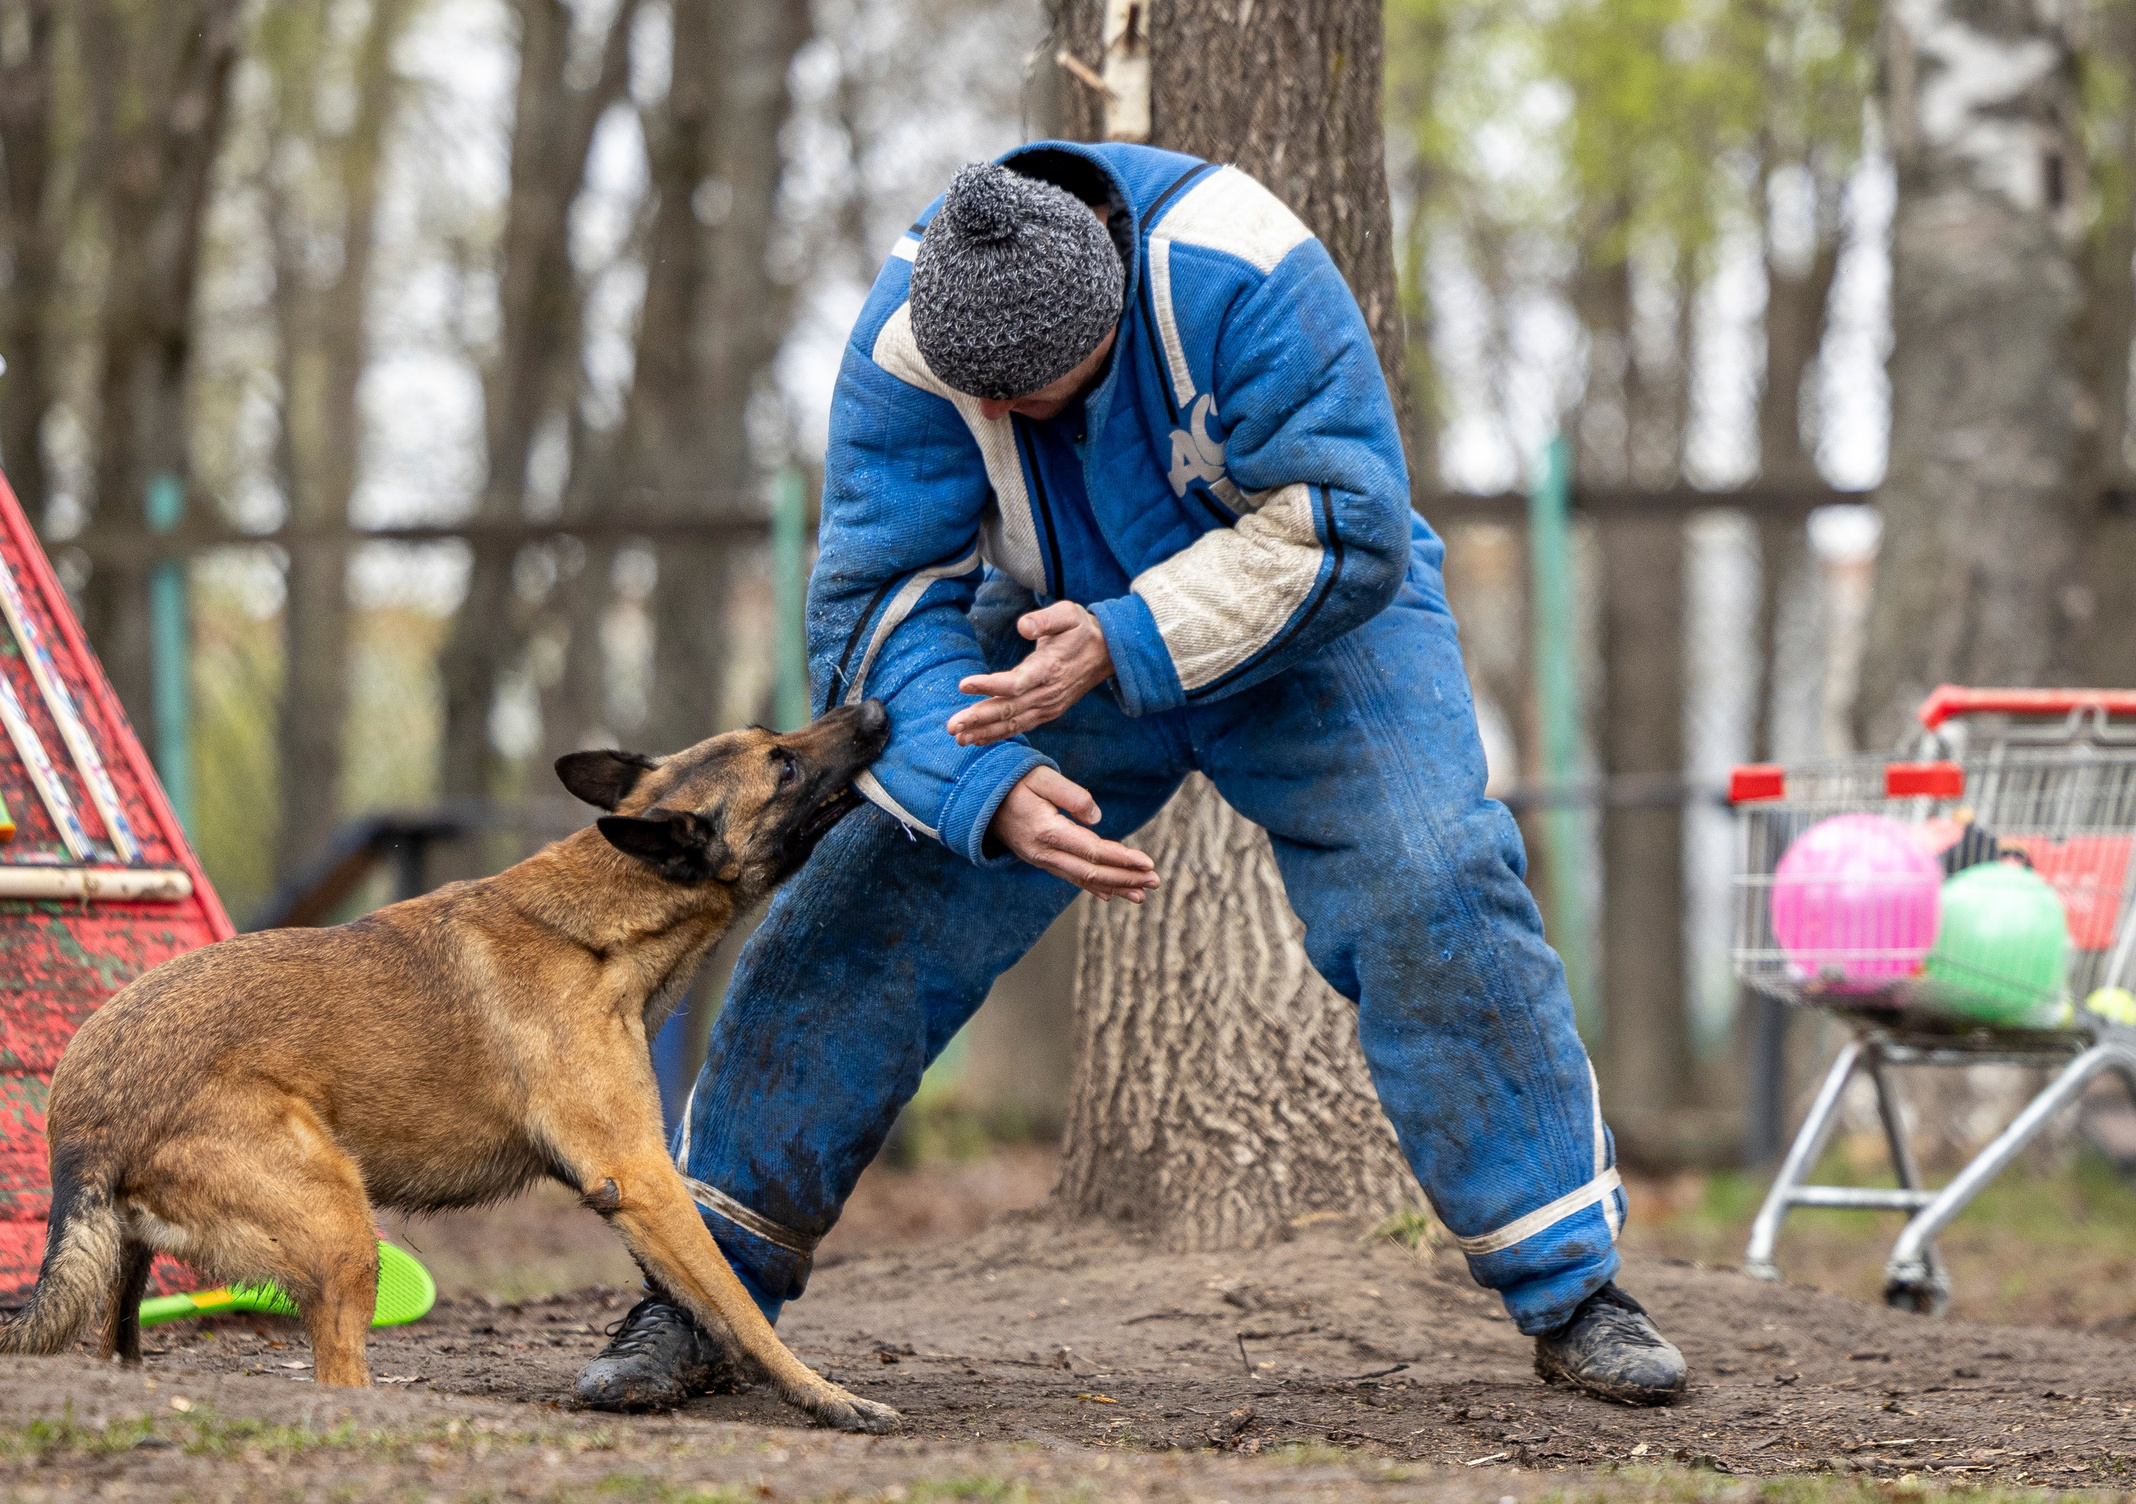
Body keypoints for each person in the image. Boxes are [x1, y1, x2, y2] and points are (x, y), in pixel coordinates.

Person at [576, 142, 1687, 1412]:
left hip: (1317, 618)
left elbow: (1347, 519)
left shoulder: (1246, 268)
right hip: (1048, 636)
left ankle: (1575, 1292)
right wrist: (976, 788)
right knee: (861, 899)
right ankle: (700, 1294)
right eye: (982, 400)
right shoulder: (906, 339)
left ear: (1106, 311)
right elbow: (877, 598)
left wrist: (1132, 636)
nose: (1008, 419)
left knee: (1433, 881)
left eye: (1039, 394)